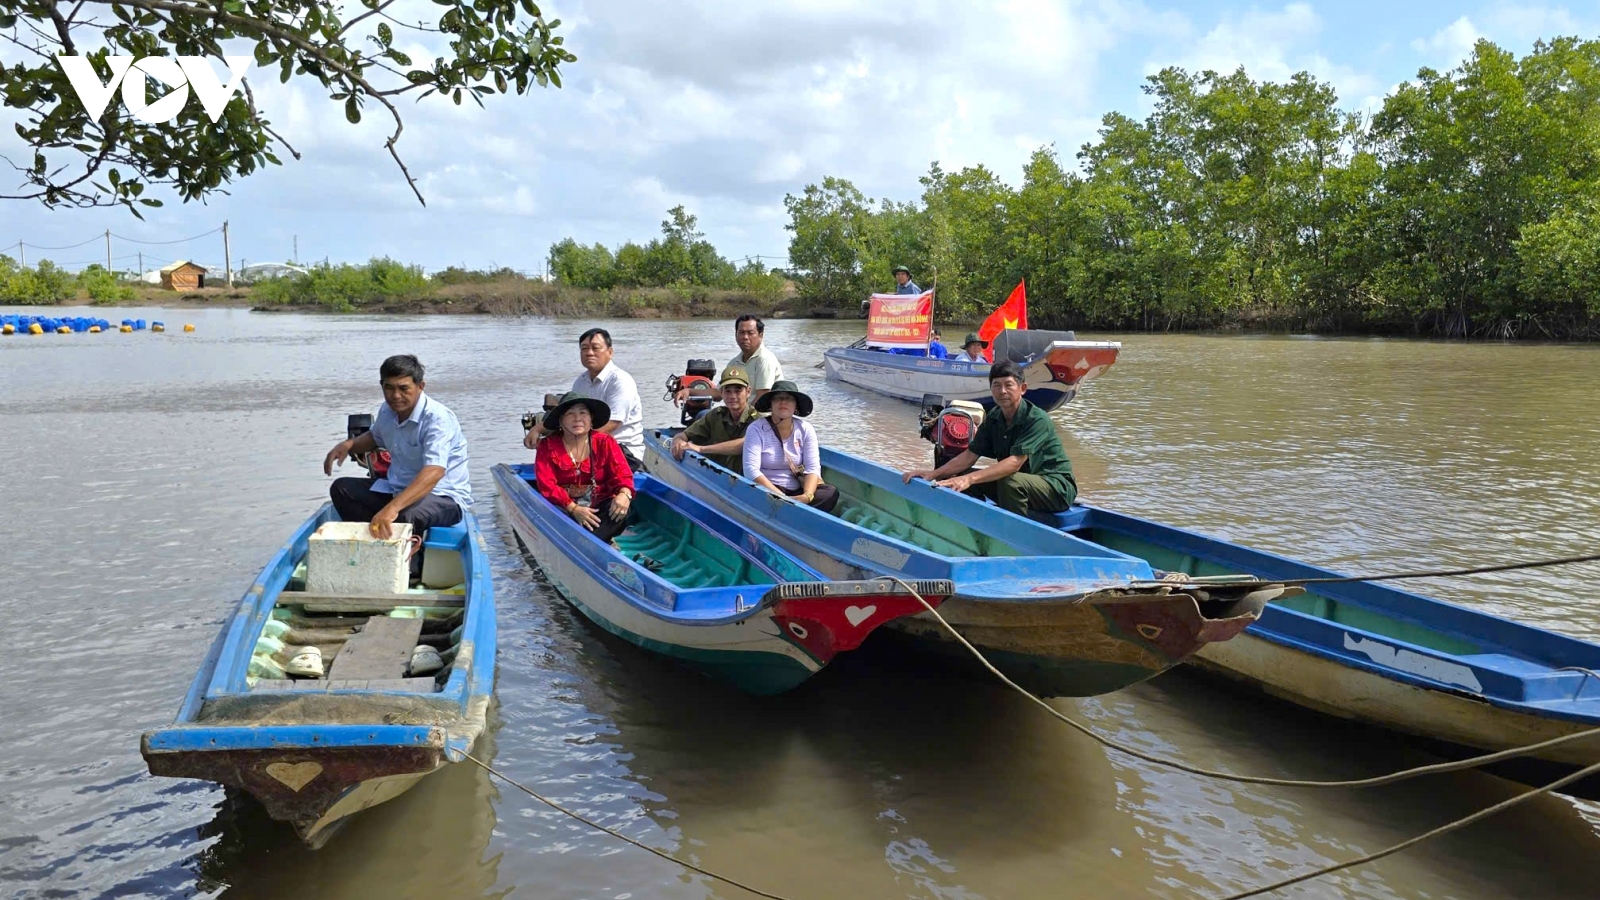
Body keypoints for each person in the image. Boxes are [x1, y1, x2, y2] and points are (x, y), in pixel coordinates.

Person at [324, 354, 471, 578]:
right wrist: (350, 444)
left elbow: (434, 472)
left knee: (407, 513)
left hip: (444, 497)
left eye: (404, 388)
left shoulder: (437, 419)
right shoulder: (388, 410)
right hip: (397, 490)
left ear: (420, 386)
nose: (396, 396)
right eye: (389, 388)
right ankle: (371, 549)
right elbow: (375, 437)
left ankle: (407, 571)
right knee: (342, 488)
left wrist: (391, 509)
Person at [900, 360, 1076, 516]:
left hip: (1055, 489)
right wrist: (933, 474)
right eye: (996, 385)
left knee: (1009, 481)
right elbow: (969, 456)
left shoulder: (1036, 418)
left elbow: (1014, 463)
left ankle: (1013, 533)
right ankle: (977, 525)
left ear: (1022, 389)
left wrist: (969, 480)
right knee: (962, 475)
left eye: (1009, 385)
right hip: (1021, 482)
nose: (1002, 391)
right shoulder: (995, 416)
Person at [525, 328, 644, 468]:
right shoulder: (581, 382)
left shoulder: (620, 381)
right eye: (584, 349)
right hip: (588, 447)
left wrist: (566, 441)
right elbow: (568, 417)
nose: (589, 353)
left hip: (623, 451)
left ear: (610, 352)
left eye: (595, 348)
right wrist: (538, 429)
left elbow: (612, 424)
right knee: (547, 458)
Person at [534, 392, 636, 544]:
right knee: (555, 513)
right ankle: (592, 542)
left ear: (591, 419)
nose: (578, 419)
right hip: (564, 507)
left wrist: (624, 494)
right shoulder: (547, 446)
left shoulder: (605, 441)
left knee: (620, 508)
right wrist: (574, 509)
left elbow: (622, 475)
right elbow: (546, 485)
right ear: (561, 420)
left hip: (598, 508)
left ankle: (588, 542)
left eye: (583, 413)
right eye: (570, 414)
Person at [743, 380, 839, 513]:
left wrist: (807, 496)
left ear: (796, 406)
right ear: (771, 405)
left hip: (797, 491)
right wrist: (780, 497)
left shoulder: (805, 429)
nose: (783, 402)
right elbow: (751, 470)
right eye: (778, 398)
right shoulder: (756, 429)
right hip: (767, 490)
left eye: (789, 399)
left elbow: (813, 468)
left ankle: (791, 510)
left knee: (830, 493)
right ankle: (792, 511)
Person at [672, 363, 758, 471]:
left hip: (745, 480)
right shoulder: (715, 416)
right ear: (721, 392)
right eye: (727, 391)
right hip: (715, 478)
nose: (732, 396)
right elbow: (683, 435)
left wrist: (701, 449)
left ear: (748, 392)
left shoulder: (757, 419)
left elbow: (744, 444)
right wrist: (677, 441)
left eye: (738, 390)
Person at [730, 314, 783, 398]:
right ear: (736, 335)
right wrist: (701, 391)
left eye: (750, 333)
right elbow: (719, 392)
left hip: (762, 410)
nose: (745, 337)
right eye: (741, 332)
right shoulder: (734, 362)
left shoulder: (765, 359)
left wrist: (738, 411)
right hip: (740, 409)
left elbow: (762, 398)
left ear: (760, 335)